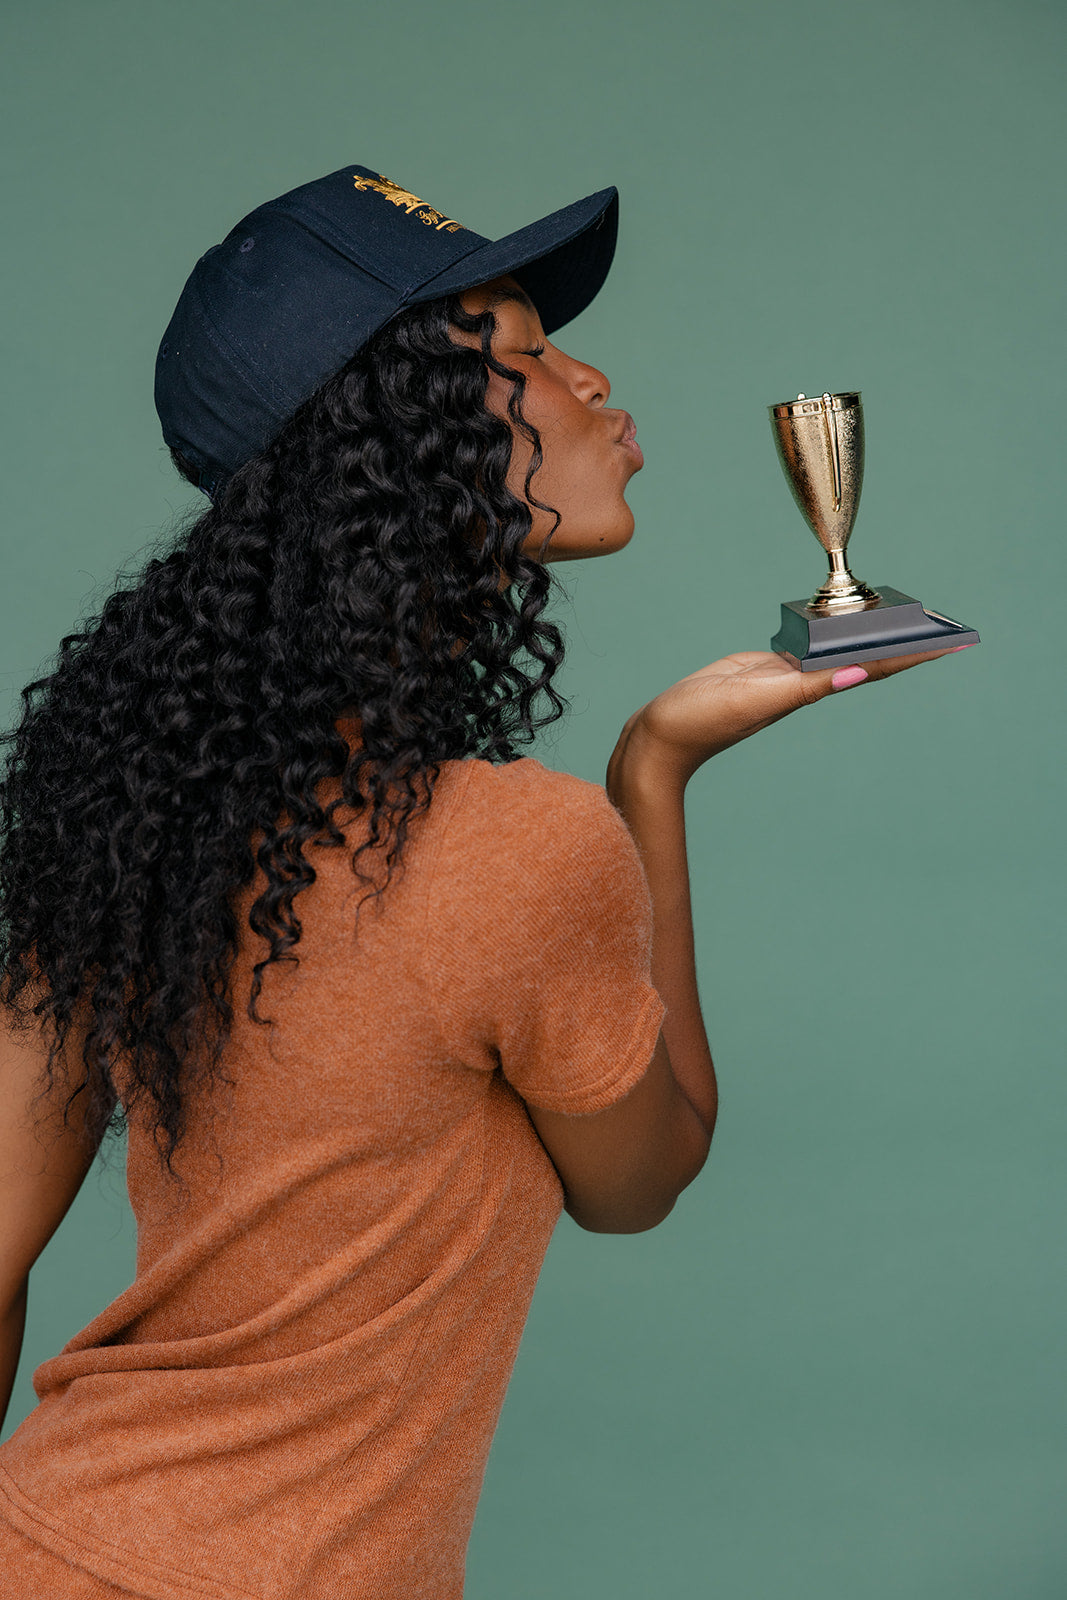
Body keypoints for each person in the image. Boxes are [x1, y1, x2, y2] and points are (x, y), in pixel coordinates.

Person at [0, 164, 971, 1600]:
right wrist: (651, 774)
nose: (590, 377)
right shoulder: (520, 848)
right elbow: (639, 1180)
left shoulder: (134, 827)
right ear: (386, 450)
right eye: (520, 355)